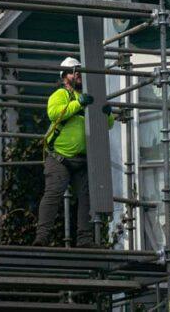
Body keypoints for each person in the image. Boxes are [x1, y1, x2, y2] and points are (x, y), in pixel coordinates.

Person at [33, 56, 114, 248]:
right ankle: (42, 238)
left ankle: (84, 239)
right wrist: (80, 104)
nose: (77, 75)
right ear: (64, 76)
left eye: (79, 72)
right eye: (73, 72)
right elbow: (54, 114)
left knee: (86, 198)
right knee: (53, 195)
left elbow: (107, 125)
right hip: (59, 157)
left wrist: (107, 113)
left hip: (82, 159)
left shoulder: (88, 96)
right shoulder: (60, 95)